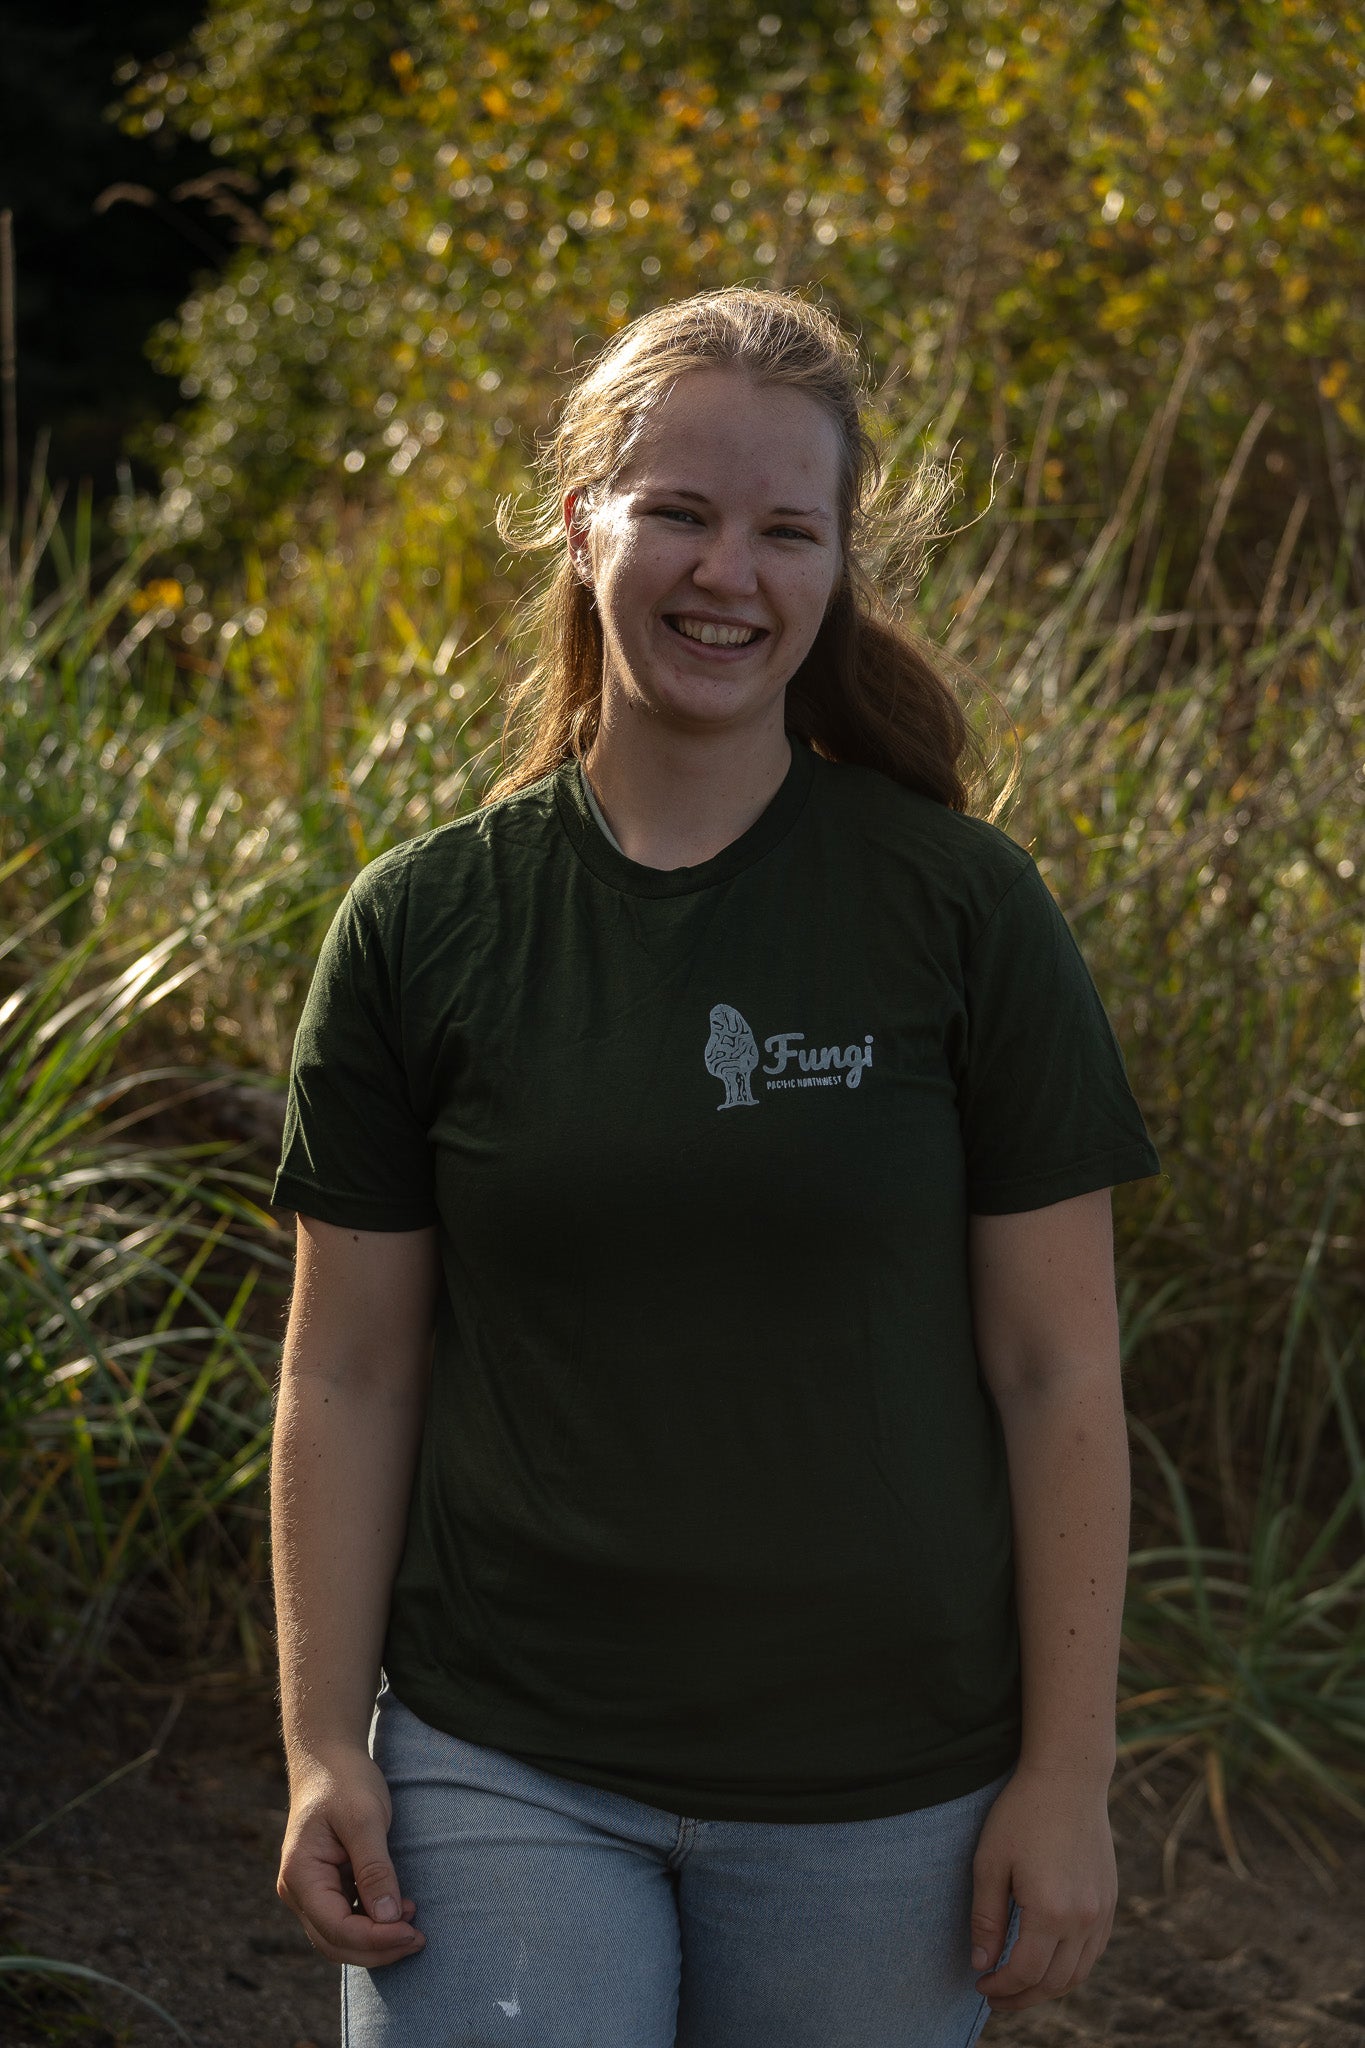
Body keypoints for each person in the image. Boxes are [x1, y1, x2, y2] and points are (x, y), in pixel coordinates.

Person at [270, 286, 1162, 2048]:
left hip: (888, 1789)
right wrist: (316, 1742)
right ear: (580, 514)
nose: (724, 575)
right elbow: (351, 1370)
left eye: (784, 529)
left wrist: (1066, 1778)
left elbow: (1057, 1369)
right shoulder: (424, 925)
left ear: (839, 566)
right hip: (498, 1760)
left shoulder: (959, 908)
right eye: (676, 510)